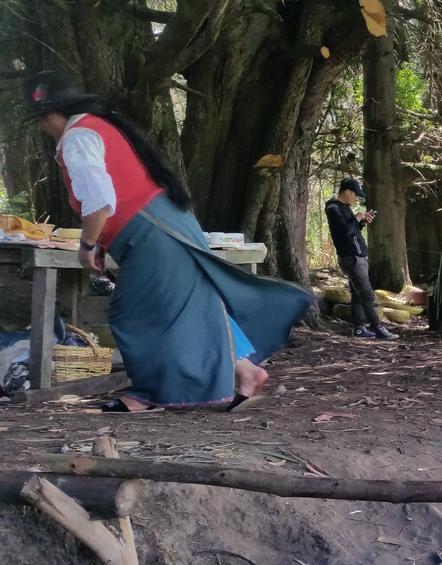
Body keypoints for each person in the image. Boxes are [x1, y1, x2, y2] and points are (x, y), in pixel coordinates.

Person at [22, 70, 312, 412]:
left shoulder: (76, 138)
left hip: (151, 230)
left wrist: (87, 245)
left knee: (133, 314)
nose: (44, 129)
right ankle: (247, 372)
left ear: (51, 114)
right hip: (166, 222)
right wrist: (101, 241)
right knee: (197, 306)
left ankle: (145, 394)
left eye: (42, 121)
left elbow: (99, 201)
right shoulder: (98, 126)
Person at [325, 177, 398, 341]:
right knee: (367, 294)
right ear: (347, 192)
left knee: (357, 294)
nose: (356, 198)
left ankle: (359, 328)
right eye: (355, 195)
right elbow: (343, 232)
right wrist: (357, 217)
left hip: (356, 256)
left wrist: (362, 222)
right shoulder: (333, 208)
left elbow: (351, 231)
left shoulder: (344, 208)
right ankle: (378, 328)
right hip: (351, 258)